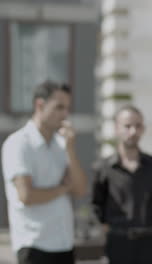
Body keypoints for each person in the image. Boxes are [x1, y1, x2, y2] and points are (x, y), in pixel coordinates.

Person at [1, 81, 88, 264]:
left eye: (67, 108)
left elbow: (80, 190)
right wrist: (63, 189)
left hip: (64, 245)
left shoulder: (61, 144)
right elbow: (27, 195)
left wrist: (70, 149)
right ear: (39, 105)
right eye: (59, 107)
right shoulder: (18, 144)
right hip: (34, 247)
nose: (65, 114)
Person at [91, 105, 152, 264]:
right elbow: (97, 206)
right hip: (118, 244)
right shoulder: (103, 168)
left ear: (143, 129)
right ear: (117, 129)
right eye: (127, 126)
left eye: (138, 126)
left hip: (150, 245)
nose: (133, 131)